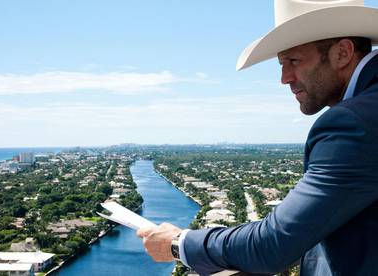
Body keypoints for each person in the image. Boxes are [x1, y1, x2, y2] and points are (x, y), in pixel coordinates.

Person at [137, 0, 378, 275]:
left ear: (342, 53)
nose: (284, 78)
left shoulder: (353, 123)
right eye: (281, 63)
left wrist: (179, 243)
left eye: (294, 61)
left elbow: (272, 245)